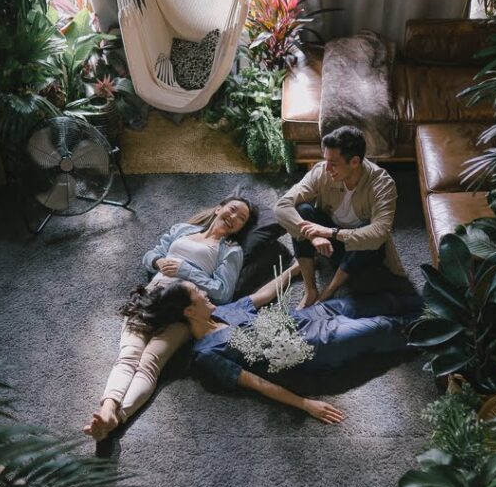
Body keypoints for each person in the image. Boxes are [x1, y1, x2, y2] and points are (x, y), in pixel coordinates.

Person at [133, 268, 423, 423]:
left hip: (311, 315)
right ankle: (446, 325)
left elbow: (262, 295)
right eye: (198, 293)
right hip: (316, 343)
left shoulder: (222, 310)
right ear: (188, 311)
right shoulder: (207, 354)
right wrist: (305, 404)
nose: (205, 292)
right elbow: (256, 383)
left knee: (380, 301)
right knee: (383, 326)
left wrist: (295, 270)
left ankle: (440, 300)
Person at [83, 196, 255, 440]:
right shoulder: (183, 230)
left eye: (242, 219)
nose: (234, 218)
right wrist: (158, 261)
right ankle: (108, 409)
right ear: (219, 208)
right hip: (153, 297)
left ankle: (116, 418)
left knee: (150, 362)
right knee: (129, 354)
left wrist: (186, 270)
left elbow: (223, 293)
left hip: (186, 310)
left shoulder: (231, 250)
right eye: (233, 210)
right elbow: (150, 255)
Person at [274, 125, 405, 309]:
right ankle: (311, 290)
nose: (326, 167)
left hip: (362, 250)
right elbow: (282, 206)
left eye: (333, 163)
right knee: (303, 211)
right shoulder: (322, 171)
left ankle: (329, 290)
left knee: (368, 233)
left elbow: (380, 233)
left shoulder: (382, 184)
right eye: (325, 159)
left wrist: (330, 232)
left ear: (354, 161)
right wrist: (314, 235)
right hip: (327, 243)